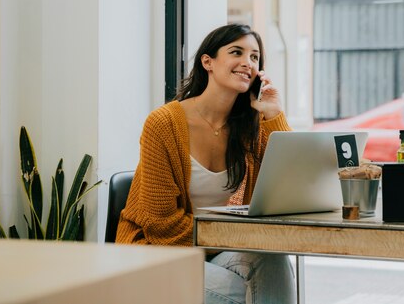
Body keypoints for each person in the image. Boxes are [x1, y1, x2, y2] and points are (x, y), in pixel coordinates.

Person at [116, 24, 296, 304]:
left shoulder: (251, 127)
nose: (247, 63)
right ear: (207, 61)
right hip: (154, 253)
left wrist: (274, 115)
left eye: (254, 57)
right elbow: (162, 226)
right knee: (245, 295)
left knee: (273, 260)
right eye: (236, 52)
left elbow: (289, 184)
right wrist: (230, 236)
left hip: (213, 250)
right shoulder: (163, 123)